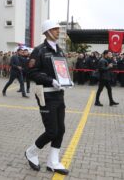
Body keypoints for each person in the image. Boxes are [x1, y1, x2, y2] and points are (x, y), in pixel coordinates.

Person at [25, 19, 70, 175]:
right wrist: (50, 80)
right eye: (55, 29)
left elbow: (62, 70)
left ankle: (53, 162)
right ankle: (31, 152)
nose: (58, 31)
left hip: (59, 94)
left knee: (61, 129)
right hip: (45, 94)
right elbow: (31, 72)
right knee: (51, 131)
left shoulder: (59, 50)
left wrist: (66, 81)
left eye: (58, 29)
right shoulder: (38, 51)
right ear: (47, 31)